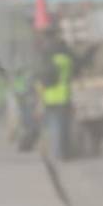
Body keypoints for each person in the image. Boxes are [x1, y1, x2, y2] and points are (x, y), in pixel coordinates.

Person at [38, 27, 74, 161]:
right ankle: (62, 153)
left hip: (50, 97)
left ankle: (56, 153)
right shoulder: (66, 60)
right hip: (63, 96)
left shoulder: (49, 60)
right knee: (62, 127)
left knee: (53, 127)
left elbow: (44, 79)